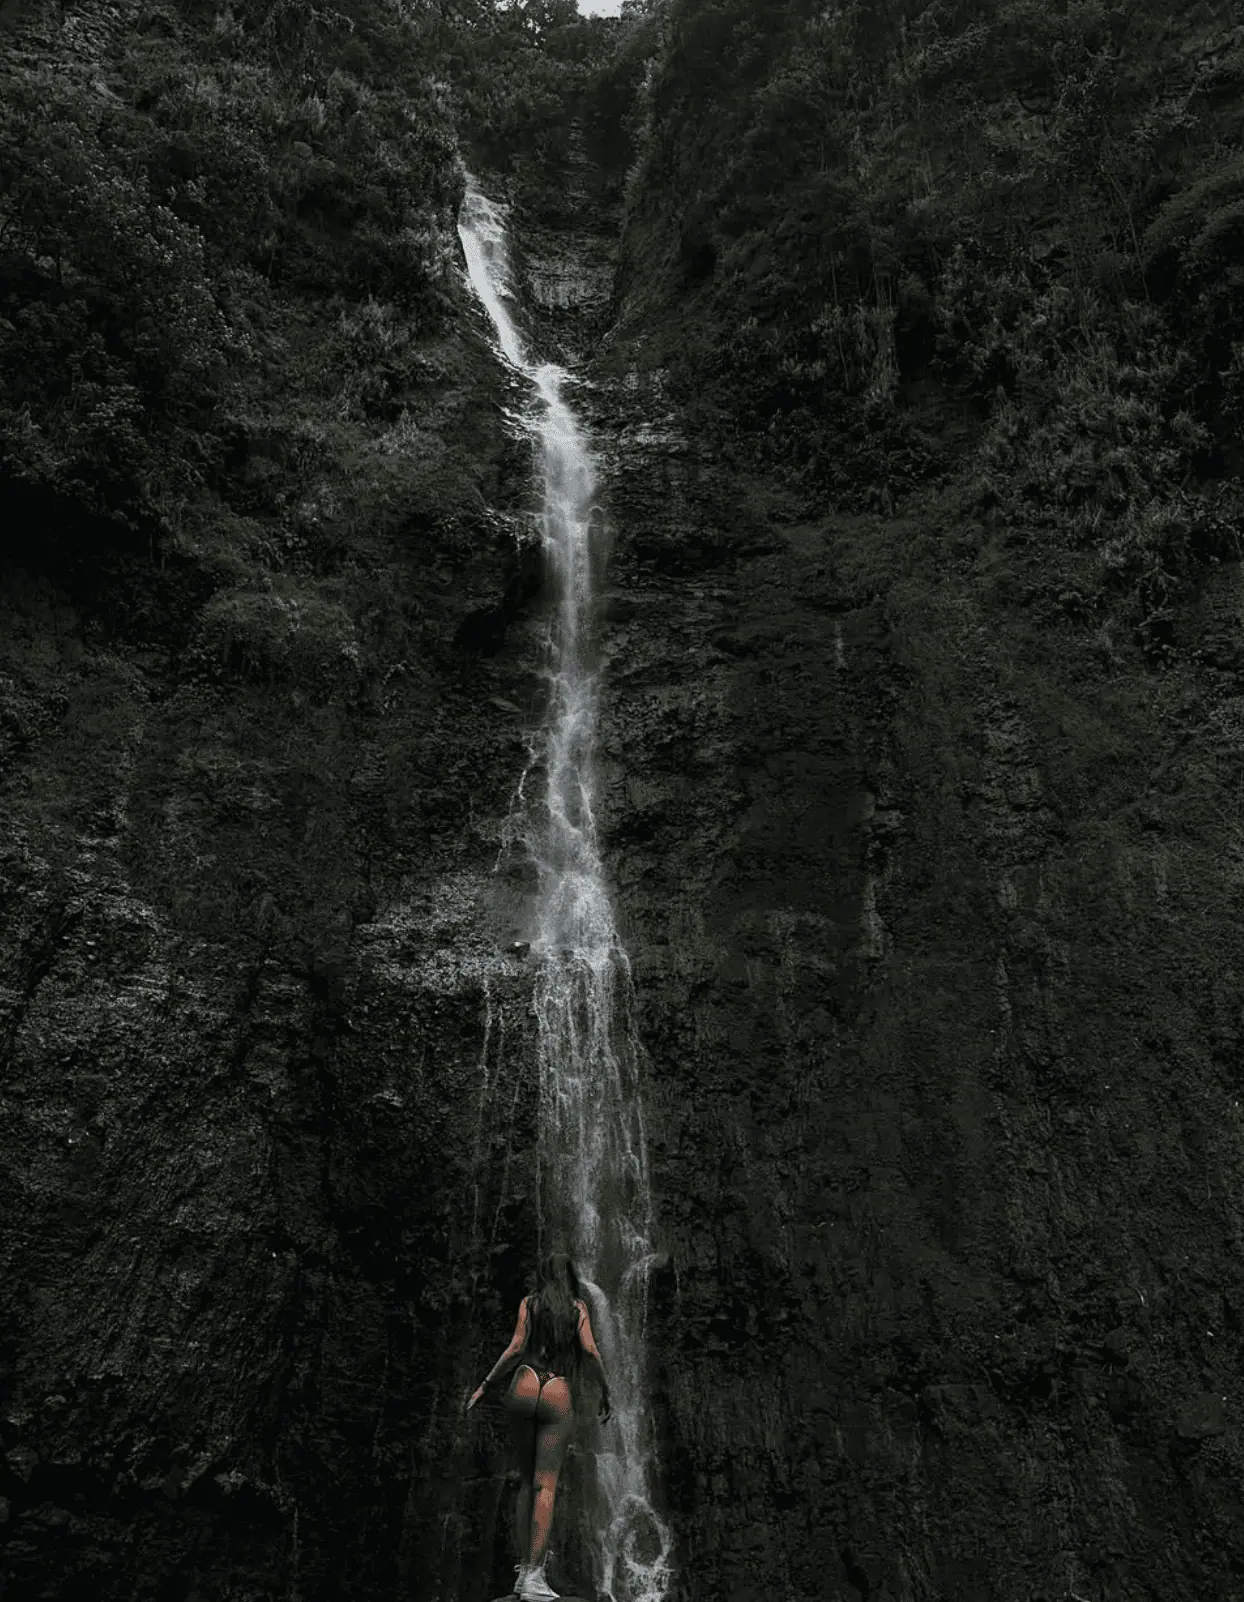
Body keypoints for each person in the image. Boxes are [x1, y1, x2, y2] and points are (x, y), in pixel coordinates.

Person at [466, 1252, 612, 1602]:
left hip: (524, 1382)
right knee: (547, 1485)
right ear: (570, 1276)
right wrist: (605, 1390)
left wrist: (485, 1385)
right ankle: (535, 1574)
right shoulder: (577, 1308)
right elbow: (590, 1352)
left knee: (525, 1482)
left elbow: (516, 1347)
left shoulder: (529, 1304)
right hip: (556, 1388)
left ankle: (522, 1574)